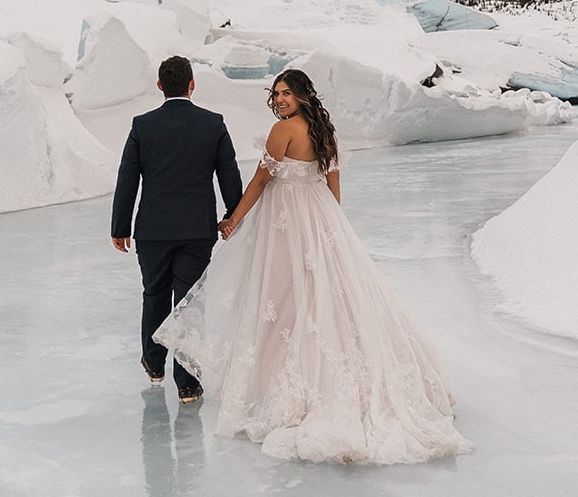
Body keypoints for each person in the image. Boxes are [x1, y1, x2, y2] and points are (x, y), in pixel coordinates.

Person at [154, 69, 471, 464]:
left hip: (285, 221)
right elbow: (332, 188)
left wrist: (233, 219)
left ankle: (283, 390)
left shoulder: (282, 131)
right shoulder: (325, 132)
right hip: (317, 218)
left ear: (303, 95)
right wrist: (329, 229)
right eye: (277, 93)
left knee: (283, 304)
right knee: (319, 301)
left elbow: (259, 182)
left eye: (287, 93)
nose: (281, 99)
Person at [111, 56, 244, 403]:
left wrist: (119, 226)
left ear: (159, 86)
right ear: (192, 84)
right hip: (197, 230)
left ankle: (153, 363)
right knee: (189, 304)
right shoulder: (212, 124)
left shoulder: (142, 125)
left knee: (154, 294)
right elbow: (228, 174)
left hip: (151, 230)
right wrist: (235, 214)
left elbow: (127, 179)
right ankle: (187, 383)